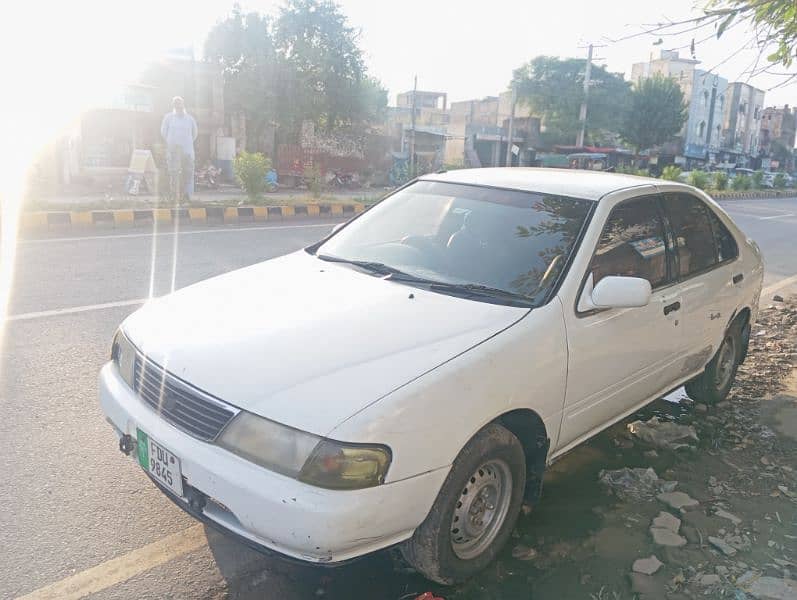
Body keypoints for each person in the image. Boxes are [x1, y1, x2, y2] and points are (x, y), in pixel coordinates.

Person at [160, 96, 198, 202]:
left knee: (188, 172)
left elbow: (195, 134)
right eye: (176, 104)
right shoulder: (168, 118)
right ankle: (174, 196)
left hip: (187, 150)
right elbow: (163, 132)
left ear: (183, 104)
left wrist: (186, 143)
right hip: (173, 151)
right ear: (173, 105)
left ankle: (187, 195)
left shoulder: (190, 119)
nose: (178, 106)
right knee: (174, 173)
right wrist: (172, 143)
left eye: (180, 103)